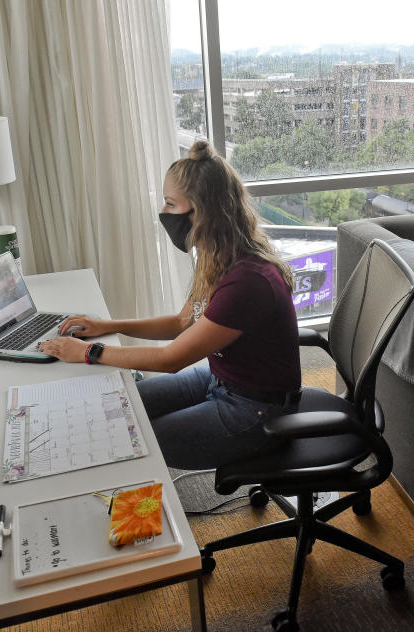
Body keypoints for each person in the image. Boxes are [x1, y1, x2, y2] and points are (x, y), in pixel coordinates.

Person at [40, 140, 301, 470]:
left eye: (170, 204)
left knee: (134, 438)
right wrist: (111, 325)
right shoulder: (217, 256)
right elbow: (182, 322)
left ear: (200, 211)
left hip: (256, 409)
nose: (164, 213)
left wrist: (89, 352)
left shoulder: (247, 280)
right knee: (125, 406)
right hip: (220, 379)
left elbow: (171, 358)